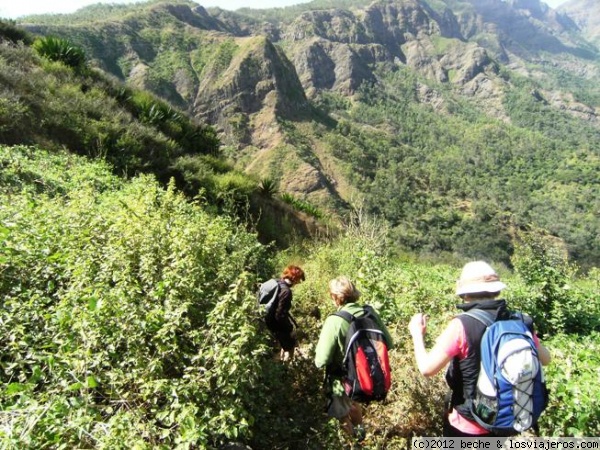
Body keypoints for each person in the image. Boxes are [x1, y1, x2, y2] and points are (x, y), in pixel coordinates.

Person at [408, 261, 551, 437]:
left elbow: (427, 369)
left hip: (467, 420)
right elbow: (546, 359)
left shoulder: (461, 325)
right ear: (496, 289)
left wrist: (416, 334)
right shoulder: (521, 321)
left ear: (464, 292)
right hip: (506, 417)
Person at [315, 276, 394, 440]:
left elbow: (321, 360)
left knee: (341, 414)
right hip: (366, 373)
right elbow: (389, 343)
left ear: (335, 297)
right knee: (354, 404)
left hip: (341, 378)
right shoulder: (370, 312)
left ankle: (353, 444)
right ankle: (361, 437)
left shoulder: (335, 321)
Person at [265, 265, 305, 362]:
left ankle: (281, 361)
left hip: (265, 319)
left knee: (283, 344)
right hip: (275, 324)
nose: (298, 283)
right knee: (290, 345)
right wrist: (289, 328)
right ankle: (286, 367)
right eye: (299, 280)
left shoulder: (276, 282)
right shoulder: (286, 291)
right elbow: (279, 315)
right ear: (295, 278)